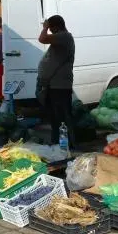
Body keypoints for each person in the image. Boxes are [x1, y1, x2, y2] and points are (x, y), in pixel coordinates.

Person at [37, 15, 75, 147]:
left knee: (61, 117)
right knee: (55, 117)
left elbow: (42, 39)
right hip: (54, 85)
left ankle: (66, 144)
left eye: (50, 27)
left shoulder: (64, 36)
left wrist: (45, 27)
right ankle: (56, 142)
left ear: (56, 26)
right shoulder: (61, 37)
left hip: (60, 86)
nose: (50, 30)